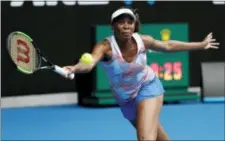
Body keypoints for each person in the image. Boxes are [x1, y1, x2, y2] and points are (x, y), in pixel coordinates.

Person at [63, 7, 219, 141]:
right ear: (112, 26)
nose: (126, 26)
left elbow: (168, 45)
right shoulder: (105, 47)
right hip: (125, 99)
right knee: (158, 137)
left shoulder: (143, 41)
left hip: (148, 87)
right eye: (121, 22)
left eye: (129, 22)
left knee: (145, 138)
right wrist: (74, 68)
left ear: (134, 25)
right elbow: (89, 63)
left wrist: (201, 45)